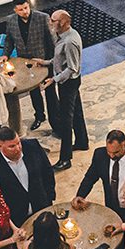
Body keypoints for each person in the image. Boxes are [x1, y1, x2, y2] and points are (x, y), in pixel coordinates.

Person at [0, 126, 57, 231]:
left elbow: (47, 172)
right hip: (15, 218)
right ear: (0, 146)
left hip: (41, 206)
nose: (18, 148)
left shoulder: (33, 147)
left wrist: (50, 196)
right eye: (11, 146)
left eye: (18, 143)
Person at [4, 0, 57, 131]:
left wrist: (52, 61)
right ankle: (39, 115)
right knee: (34, 91)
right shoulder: (10, 21)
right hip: (25, 63)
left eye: (26, 8)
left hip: (43, 61)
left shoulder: (42, 18)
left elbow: (52, 40)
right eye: (21, 10)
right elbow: (9, 40)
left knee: (50, 91)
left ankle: (56, 120)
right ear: (15, 10)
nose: (25, 12)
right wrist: (5, 54)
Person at [47, 10, 86, 171]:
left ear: (63, 23)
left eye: (53, 20)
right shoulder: (63, 36)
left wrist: (53, 80)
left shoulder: (70, 41)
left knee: (66, 119)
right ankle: (82, 142)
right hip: (68, 81)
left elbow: (72, 68)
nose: (50, 23)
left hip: (68, 83)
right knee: (76, 111)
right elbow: (60, 59)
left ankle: (65, 158)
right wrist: (45, 62)